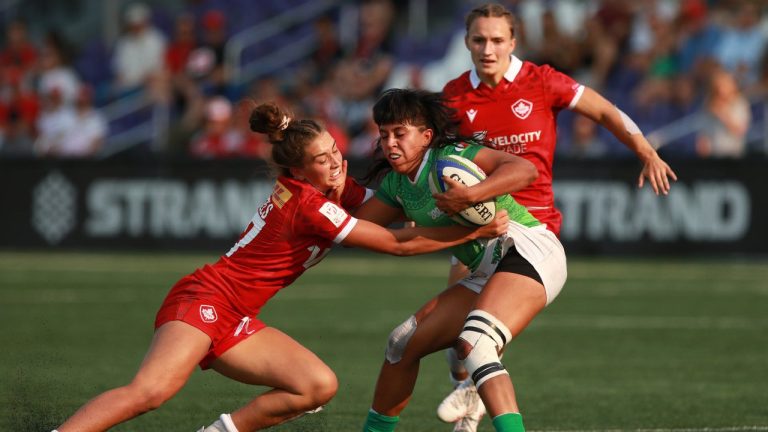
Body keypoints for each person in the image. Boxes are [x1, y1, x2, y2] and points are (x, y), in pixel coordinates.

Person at [51, 101, 509, 432]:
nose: (336, 163)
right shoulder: (309, 204)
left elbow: (397, 206)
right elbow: (395, 243)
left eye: (335, 151)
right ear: (298, 171)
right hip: (206, 299)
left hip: (237, 316)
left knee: (315, 385)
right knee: (150, 392)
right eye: (322, 160)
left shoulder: (333, 189)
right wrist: (472, 230)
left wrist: (448, 195)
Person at [436, 4, 678, 431]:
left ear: (513, 42)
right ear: (467, 42)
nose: (487, 49)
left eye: (497, 40)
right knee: (457, 351)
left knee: (479, 338)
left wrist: (646, 151)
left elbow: (604, 110)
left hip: (531, 229)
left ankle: (475, 407)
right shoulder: (453, 97)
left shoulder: (542, 81)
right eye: (479, 40)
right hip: (476, 228)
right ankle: (469, 392)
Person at [358, 88, 567, 432]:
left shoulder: (449, 157)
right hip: (488, 269)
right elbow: (356, 229)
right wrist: (327, 186)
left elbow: (525, 169)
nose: (390, 143)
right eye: (384, 135)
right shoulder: (398, 185)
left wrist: (469, 195)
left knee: (476, 344)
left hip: (527, 250)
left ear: (426, 136)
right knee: (401, 344)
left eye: (400, 133)